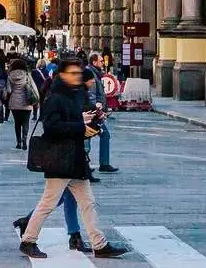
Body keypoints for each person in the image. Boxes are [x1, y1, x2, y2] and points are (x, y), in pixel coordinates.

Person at [16, 55, 127, 259]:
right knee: (48, 203)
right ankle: (28, 240)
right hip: (60, 159)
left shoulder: (73, 93)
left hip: (74, 158)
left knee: (87, 202)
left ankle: (99, 244)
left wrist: (90, 118)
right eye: (73, 73)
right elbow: (50, 126)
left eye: (79, 72)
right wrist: (80, 128)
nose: (78, 76)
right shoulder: (55, 95)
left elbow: (73, 117)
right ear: (63, 74)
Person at [88, 52, 118, 173]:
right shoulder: (91, 74)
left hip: (96, 111)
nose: (102, 63)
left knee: (102, 135)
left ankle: (103, 163)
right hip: (93, 111)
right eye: (100, 61)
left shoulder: (96, 73)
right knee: (89, 137)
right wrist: (96, 109)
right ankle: (91, 165)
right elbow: (91, 94)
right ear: (94, 62)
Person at [5, 55, 40, 150]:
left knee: (17, 123)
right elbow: (33, 87)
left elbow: (8, 90)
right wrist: (37, 100)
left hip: (14, 103)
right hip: (27, 102)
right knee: (25, 123)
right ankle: (25, 141)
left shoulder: (10, 75)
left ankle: (18, 142)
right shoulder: (27, 74)